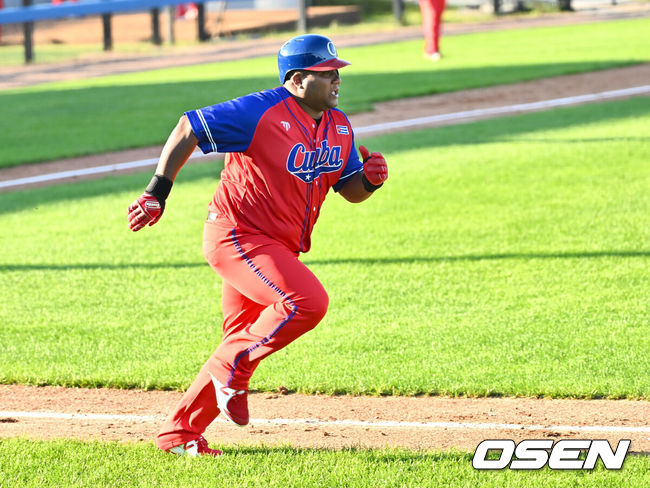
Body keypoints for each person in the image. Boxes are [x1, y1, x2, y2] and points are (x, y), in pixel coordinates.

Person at [127, 34, 388, 457]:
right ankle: (233, 371)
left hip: (278, 247)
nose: (338, 79)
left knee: (238, 339)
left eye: (338, 70)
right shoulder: (260, 111)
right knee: (306, 303)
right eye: (328, 73)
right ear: (298, 79)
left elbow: (350, 189)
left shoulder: (339, 125)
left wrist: (371, 181)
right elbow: (188, 126)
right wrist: (157, 192)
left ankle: (179, 435)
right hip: (237, 235)